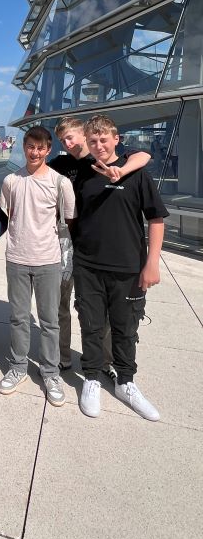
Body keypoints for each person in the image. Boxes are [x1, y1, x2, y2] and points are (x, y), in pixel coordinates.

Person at [73, 115, 168, 421]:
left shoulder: (137, 174)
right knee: (90, 324)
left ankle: (125, 381)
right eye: (93, 141)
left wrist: (152, 263)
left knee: (126, 329)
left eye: (103, 139)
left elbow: (156, 219)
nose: (98, 145)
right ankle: (91, 377)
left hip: (128, 267)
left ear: (116, 140)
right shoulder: (83, 175)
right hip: (88, 265)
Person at [50, 116, 151, 375]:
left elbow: (143, 156)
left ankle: (106, 361)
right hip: (68, 242)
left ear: (83, 134)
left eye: (71, 137)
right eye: (62, 140)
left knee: (102, 311)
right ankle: (63, 356)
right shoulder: (61, 164)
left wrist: (121, 172)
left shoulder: (103, 158)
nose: (67, 143)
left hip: (98, 248)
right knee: (62, 303)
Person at [0, 126, 75, 408]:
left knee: (49, 321)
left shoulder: (60, 183)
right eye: (30, 146)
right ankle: (18, 366)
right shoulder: (11, 181)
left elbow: (68, 220)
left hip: (48, 259)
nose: (35, 152)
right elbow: (8, 213)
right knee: (19, 317)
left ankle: (50, 372)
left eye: (41, 148)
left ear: (48, 149)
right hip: (17, 257)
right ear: (24, 147)